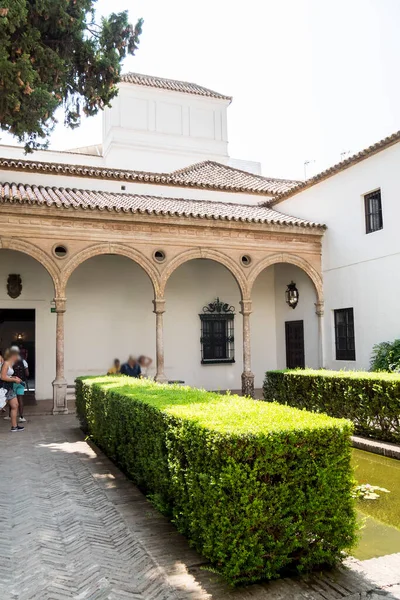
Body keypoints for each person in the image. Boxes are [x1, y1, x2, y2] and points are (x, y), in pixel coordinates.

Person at [0, 348, 25, 432]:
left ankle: (14, 426)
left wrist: (14, 377)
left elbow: (7, 375)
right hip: (3, 388)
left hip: (9, 387)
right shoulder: (6, 363)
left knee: (15, 405)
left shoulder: (10, 363)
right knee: (1, 406)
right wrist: (14, 380)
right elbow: (2, 377)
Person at [10, 345, 29, 423]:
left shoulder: (11, 361)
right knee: (20, 400)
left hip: (13, 382)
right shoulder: (24, 361)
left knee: (11, 399)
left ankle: (9, 416)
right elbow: (27, 373)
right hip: (21, 382)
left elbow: (8, 373)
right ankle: (21, 417)